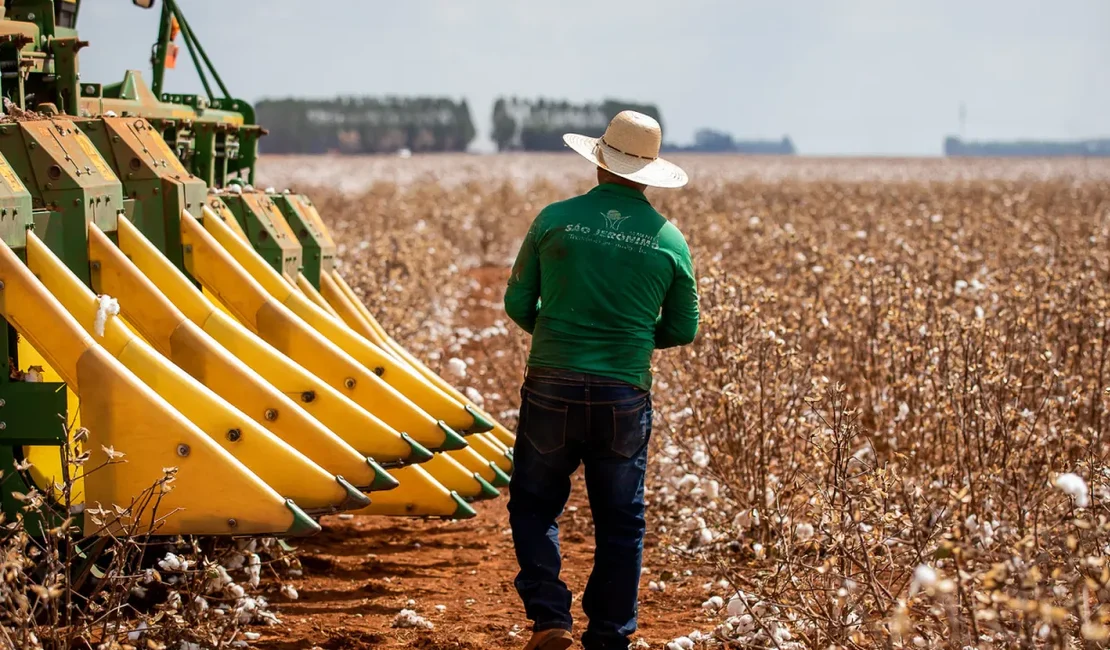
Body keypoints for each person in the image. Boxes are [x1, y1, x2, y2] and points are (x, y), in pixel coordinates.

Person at [503, 110, 700, 650]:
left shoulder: (554, 219)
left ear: (599, 162)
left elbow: (517, 301)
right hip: (623, 394)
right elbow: (684, 328)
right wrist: (629, 339)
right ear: (647, 173)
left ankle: (549, 618)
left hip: (550, 383)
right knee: (621, 520)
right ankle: (610, 636)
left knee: (534, 503)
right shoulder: (670, 242)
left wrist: (557, 336)